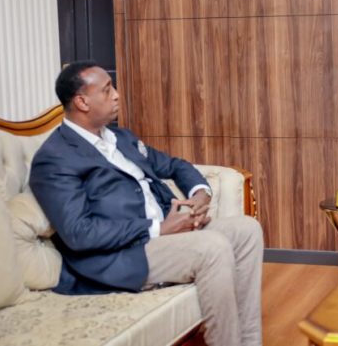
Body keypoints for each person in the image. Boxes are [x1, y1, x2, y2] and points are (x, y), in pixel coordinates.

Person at [30, 61, 263, 346]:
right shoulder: (55, 158)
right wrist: (158, 228)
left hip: (164, 234)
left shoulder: (121, 138)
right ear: (82, 102)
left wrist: (200, 194)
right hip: (122, 254)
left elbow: (174, 165)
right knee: (212, 247)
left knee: (247, 230)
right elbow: (80, 233)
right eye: (107, 90)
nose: (116, 95)